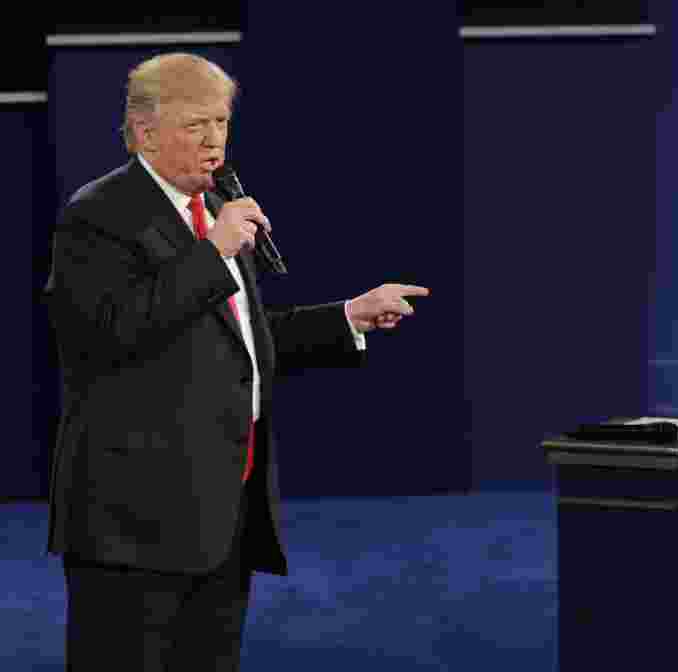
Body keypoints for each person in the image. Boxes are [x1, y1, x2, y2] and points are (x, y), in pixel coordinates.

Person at [42, 52, 428, 670]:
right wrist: (212, 251)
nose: (214, 140)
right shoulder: (101, 213)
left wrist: (346, 317)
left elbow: (237, 337)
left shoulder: (216, 206)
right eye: (195, 125)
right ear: (145, 131)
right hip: (133, 519)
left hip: (221, 507)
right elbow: (108, 334)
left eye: (221, 122)